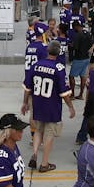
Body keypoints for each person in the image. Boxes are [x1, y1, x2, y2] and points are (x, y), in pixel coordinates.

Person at [22, 40, 74, 173]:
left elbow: (27, 87)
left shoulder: (36, 65)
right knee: (49, 134)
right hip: (52, 105)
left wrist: (25, 102)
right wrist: (70, 106)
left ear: (47, 50)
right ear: (59, 52)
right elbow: (64, 92)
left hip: (38, 103)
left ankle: (34, 154)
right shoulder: (59, 68)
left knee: (38, 130)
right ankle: (44, 163)